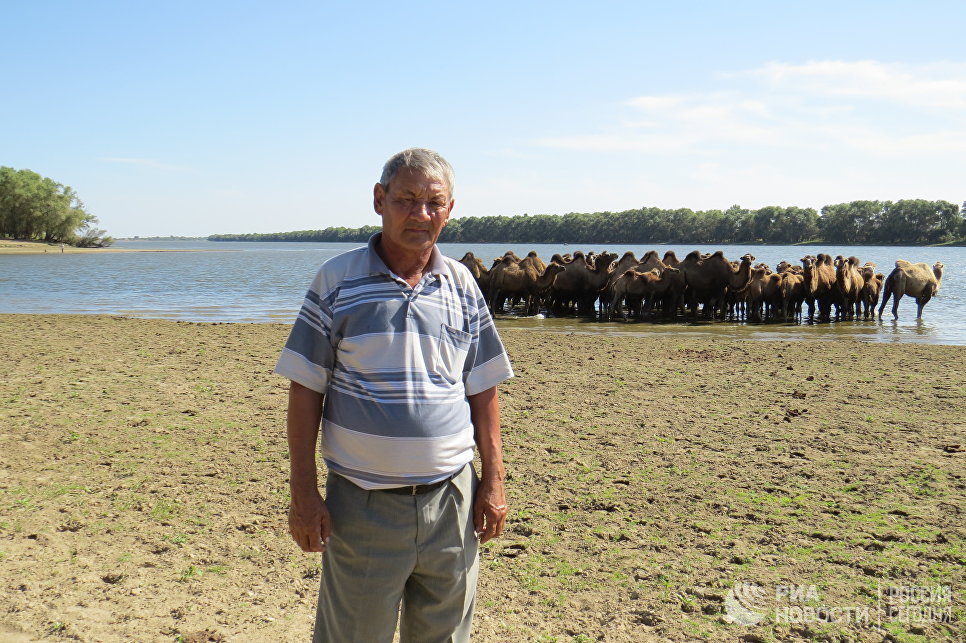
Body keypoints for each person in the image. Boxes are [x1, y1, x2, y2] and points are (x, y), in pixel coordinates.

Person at [275, 148, 514, 642]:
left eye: (434, 203)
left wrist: (493, 480)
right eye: (406, 199)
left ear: (450, 210)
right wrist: (303, 492)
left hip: (452, 501)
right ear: (379, 200)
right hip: (362, 505)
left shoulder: (462, 285)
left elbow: (482, 388)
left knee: (444, 635)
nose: (420, 214)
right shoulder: (336, 281)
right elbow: (305, 389)